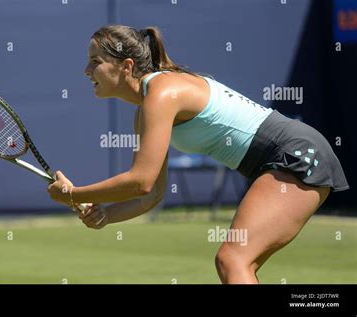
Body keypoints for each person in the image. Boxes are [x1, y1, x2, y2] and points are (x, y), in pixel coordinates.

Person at [47, 25, 349, 284]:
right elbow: (151, 196)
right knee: (242, 264)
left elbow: (141, 182)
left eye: (95, 62)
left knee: (233, 260)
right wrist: (106, 214)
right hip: (283, 159)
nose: (86, 71)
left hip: (296, 154)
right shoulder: (146, 110)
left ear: (126, 66)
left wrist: (74, 194)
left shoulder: (162, 92)